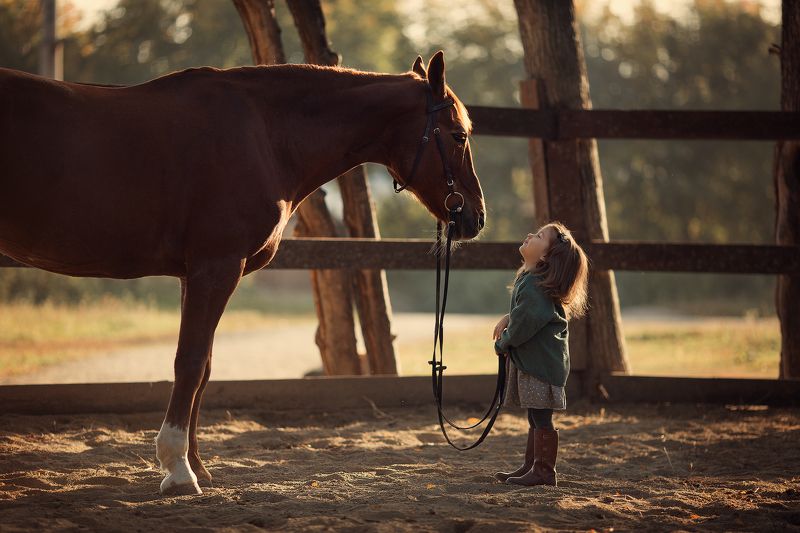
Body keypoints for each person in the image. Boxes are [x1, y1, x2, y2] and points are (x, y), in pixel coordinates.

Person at [492, 221, 589, 487]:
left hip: (541, 366)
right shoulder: (532, 281)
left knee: (540, 416)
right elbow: (525, 314)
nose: (529, 235)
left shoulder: (535, 286)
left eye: (539, 236)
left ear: (546, 256)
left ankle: (544, 471)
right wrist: (509, 317)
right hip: (537, 363)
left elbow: (523, 326)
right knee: (534, 414)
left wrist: (502, 344)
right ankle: (532, 465)